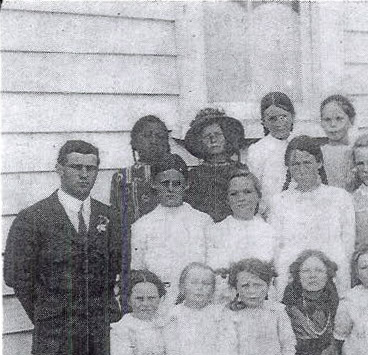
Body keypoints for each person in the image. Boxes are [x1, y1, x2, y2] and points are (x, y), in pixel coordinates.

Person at [4, 140, 123, 355]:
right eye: (76, 167)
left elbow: (116, 269)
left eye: (91, 168)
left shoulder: (108, 217)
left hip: (101, 329)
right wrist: (48, 313)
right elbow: (17, 276)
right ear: (59, 169)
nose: (84, 175)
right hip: (57, 333)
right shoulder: (33, 219)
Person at [269, 136, 355, 295]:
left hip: (333, 274)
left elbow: (348, 244)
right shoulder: (279, 201)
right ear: (288, 167)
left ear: (319, 163)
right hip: (291, 275)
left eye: (307, 162)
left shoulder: (340, 197)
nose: (301, 168)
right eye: (295, 164)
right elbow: (275, 246)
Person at [130, 153, 213, 302]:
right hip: (159, 303)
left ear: (186, 184)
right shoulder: (142, 225)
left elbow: (211, 266)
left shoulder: (203, 221)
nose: (170, 189)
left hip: (197, 300)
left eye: (176, 184)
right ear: (154, 184)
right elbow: (139, 271)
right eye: (164, 183)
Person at [207, 169, 278, 302]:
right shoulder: (215, 231)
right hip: (228, 301)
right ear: (227, 200)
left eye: (247, 192)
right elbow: (217, 273)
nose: (241, 198)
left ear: (258, 196)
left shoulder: (271, 232)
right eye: (234, 194)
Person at [182, 107, 250, 222]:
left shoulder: (240, 170)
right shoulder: (194, 176)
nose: (213, 140)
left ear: (226, 137)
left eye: (217, 134)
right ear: (200, 142)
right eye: (207, 136)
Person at [110, 115, 171, 226]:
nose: (154, 141)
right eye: (147, 136)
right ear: (135, 143)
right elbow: (116, 218)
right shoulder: (122, 177)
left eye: (159, 136)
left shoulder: (175, 173)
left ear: (166, 143)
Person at [247, 92, 297, 210]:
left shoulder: (301, 143)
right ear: (263, 122)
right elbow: (255, 187)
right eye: (272, 119)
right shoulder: (258, 150)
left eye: (284, 117)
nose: (279, 123)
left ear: (293, 116)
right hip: (271, 210)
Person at [319, 94, 357, 191]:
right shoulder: (319, 153)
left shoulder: (357, 151)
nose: (333, 125)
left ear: (351, 120)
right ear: (321, 123)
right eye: (327, 119)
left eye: (339, 119)